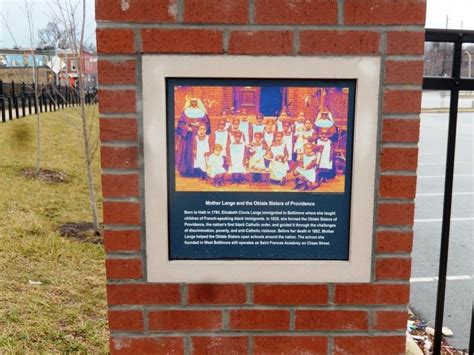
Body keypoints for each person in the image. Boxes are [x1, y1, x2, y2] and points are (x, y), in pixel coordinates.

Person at [176, 98, 210, 177]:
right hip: (188, 137)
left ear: (198, 103)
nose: (194, 103)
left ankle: (199, 171)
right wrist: (187, 128)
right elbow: (180, 124)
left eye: (195, 102)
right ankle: (186, 171)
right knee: (187, 152)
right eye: (192, 102)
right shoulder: (185, 112)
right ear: (190, 103)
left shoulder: (202, 113)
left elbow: (207, 123)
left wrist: (200, 125)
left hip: (199, 136)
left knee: (199, 153)